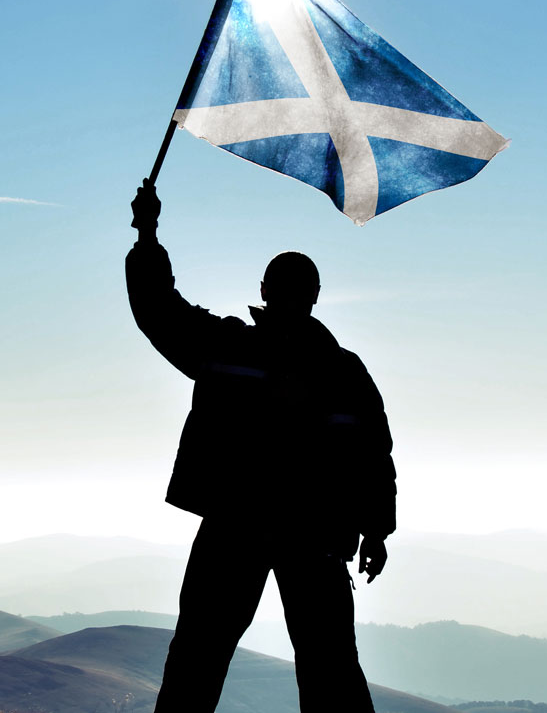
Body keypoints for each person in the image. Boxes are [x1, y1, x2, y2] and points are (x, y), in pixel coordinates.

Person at [125, 178, 395, 712]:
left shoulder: (227, 347)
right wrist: (375, 530)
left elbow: (158, 310)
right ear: (308, 297)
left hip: (237, 528)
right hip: (312, 538)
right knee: (329, 673)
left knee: (196, 665)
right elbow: (374, 457)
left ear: (266, 291)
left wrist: (148, 233)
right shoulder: (344, 372)